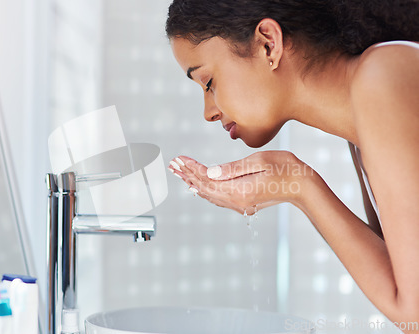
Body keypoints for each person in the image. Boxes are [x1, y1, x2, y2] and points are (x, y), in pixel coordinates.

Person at [165, 0, 419, 330]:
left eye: (208, 82)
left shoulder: (383, 74)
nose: (208, 112)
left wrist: (299, 186)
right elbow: (401, 274)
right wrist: (295, 183)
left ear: (268, 43)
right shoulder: (360, 121)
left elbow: (414, 313)